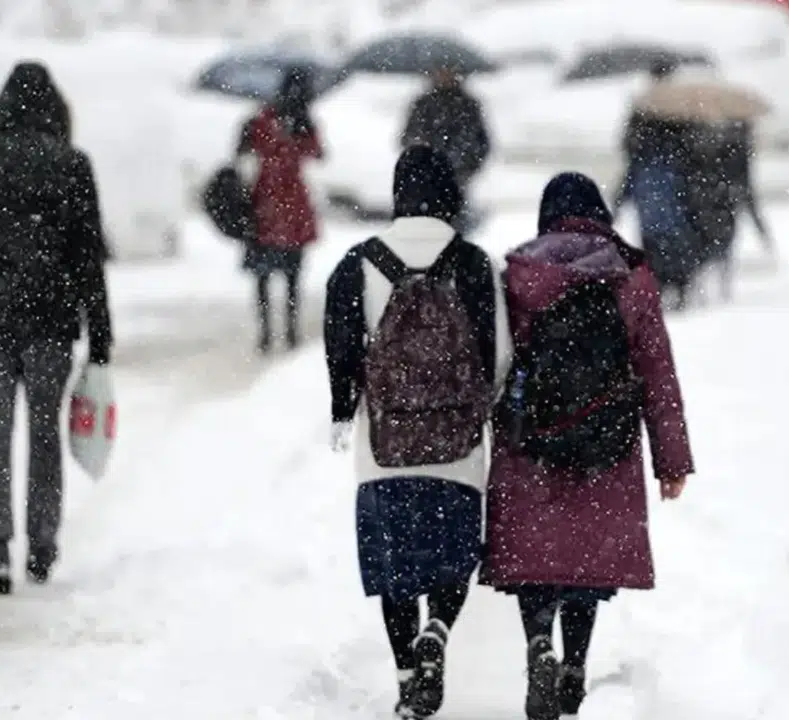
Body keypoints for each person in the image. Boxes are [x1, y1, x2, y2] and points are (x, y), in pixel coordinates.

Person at [482, 173, 694, 720]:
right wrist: (672, 460)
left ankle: (539, 643)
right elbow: (658, 374)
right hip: (607, 442)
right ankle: (574, 665)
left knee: (536, 560)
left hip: (531, 444)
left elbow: (495, 364)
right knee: (584, 562)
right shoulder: (630, 276)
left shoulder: (519, 275)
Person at [323, 146, 510, 719]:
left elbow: (341, 349)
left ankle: (408, 676)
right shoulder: (474, 264)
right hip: (457, 446)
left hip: (385, 446)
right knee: (454, 556)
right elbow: (499, 355)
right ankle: (438, 629)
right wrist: (478, 407)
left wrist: (343, 409)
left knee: (396, 569)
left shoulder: (359, 263)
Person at [0, 61, 113, 596]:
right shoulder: (71, 164)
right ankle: (41, 546)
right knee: (44, 433)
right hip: (50, 320)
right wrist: (100, 330)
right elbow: (88, 256)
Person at [237, 65, 324, 354]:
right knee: (292, 275)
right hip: (292, 204)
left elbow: (243, 152)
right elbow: (318, 153)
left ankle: (266, 332)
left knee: (263, 275)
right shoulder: (302, 122)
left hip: (265, 203)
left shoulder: (263, 119)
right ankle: (290, 331)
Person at [611, 60, 704, 311]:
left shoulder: (644, 107)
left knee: (654, 237)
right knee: (673, 235)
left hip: (650, 182)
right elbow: (692, 150)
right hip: (670, 183)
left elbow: (629, 146)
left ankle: (661, 285)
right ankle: (676, 284)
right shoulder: (681, 107)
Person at [686, 120, 774, 302]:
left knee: (707, 248)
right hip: (724, 206)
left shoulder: (707, 141)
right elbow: (746, 188)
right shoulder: (737, 148)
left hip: (708, 204)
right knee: (722, 248)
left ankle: (707, 288)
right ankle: (720, 289)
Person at [401, 65, 492, 234]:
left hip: (458, 172)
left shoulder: (468, 105)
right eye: (440, 72)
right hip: (428, 174)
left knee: (456, 218)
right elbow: (407, 137)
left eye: (449, 72)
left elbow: (481, 141)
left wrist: (469, 165)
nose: (444, 76)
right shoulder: (423, 104)